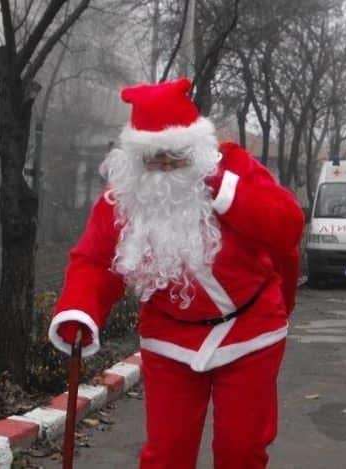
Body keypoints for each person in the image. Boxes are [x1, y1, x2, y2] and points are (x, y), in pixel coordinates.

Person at [47, 77, 304, 469]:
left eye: (177, 158)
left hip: (249, 330)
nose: (166, 168)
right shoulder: (126, 197)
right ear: (137, 159)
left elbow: (286, 225)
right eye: (155, 159)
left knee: (242, 451)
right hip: (170, 336)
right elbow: (94, 261)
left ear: (196, 149)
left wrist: (226, 193)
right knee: (166, 455)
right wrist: (80, 309)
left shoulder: (233, 169)